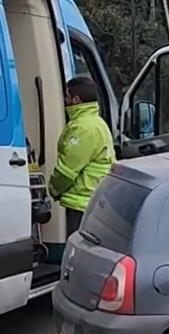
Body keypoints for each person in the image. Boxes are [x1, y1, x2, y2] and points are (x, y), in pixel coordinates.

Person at [48, 76, 115, 236]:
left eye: (67, 96)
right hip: (94, 200)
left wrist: (52, 189)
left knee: (78, 246)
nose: (64, 100)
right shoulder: (96, 123)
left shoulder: (83, 128)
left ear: (76, 100)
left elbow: (67, 170)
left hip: (82, 203)